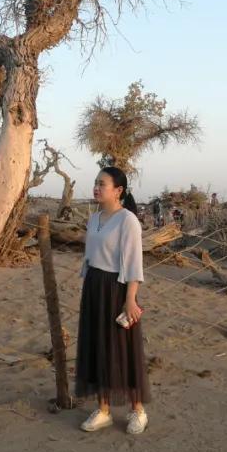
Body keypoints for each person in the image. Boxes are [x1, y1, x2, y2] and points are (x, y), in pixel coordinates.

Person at [75, 166, 150, 435]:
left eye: (102, 184)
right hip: (94, 286)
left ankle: (138, 411)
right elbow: (89, 255)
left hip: (117, 289)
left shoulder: (128, 220)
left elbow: (133, 263)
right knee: (96, 346)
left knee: (123, 349)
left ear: (118, 190)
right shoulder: (93, 219)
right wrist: (87, 282)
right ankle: (103, 410)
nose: (97, 187)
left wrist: (130, 300)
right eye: (95, 182)